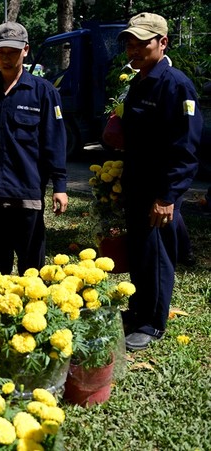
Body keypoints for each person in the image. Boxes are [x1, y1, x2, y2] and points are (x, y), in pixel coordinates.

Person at [117, 13, 202, 351]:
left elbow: (187, 146)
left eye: (142, 43)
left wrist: (168, 197)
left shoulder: (175, 84)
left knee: (157, 254)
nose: (133, 50)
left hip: (159, 190)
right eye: (129, 43)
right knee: (139, 252)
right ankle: (138, 311)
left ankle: (153, 323)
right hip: (137, 186)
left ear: (162, 42)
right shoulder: (140, 80)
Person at [0, 22, 68, 276]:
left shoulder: (44, 92)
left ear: (25, 51)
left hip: (28, 194)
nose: (6, 58)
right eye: (1, 53)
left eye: (12, 51)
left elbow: (54, 141)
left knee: (32, 270)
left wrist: (60, 187)